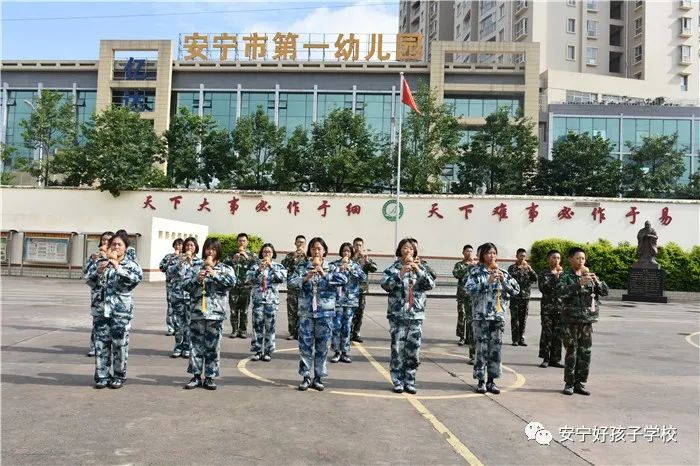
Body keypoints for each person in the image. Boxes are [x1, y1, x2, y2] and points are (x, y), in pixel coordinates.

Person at [85, 230, 143, 389]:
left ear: (125, 248)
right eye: (113, 244)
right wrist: (98, 271)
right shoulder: (101, 262)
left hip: (120, 311)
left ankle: (119, 375)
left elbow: (136, 280)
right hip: (101, 310)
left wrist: (118, 268)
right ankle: (102, 376)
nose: (116, 247)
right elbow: (89, 280)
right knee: (101, 344)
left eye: (119, 244)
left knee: (120, 345)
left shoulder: (131, 264)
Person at [288, 237, 348, 391]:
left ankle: (319, 377)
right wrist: (305, 278)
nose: (316, 251)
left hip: (325, 314)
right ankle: (306, 376)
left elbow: (343, 280)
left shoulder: (332, 267)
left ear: (324, 251)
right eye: (313, 248)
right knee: (305, 346)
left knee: (322, 347)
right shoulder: (303, 266)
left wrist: (324, 274)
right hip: (306, 313)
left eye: (319, 248)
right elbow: (291, 283)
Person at [380, 238, 435, 394]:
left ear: (414, 251)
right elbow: (385, 285)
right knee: (397, 349)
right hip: (397, 315)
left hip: (415, 316)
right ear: (400, 250)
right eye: (405, 248)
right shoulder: (393, 268)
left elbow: (430, 285)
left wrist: (418, 270)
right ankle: (397, 380)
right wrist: (400, 274)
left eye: (411, 248)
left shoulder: (421, 268)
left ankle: (410, 381)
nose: (408, 251)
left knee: (413, 350)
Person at [181, 237, 235, 390]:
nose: (210, 252)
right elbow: (185, 285)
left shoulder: (225, 268)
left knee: (213, 346)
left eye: (213, 249)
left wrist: (215, 274)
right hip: (197, 312)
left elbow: (232, 283)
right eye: (208, 249)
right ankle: (196, 376)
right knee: (195, 345)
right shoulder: (195, 266)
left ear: (218, 251)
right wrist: (196, 280)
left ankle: (210, 377)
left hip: (215, 314)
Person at [466, 243, 519, 395]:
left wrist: (504, 281)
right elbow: (468, 290)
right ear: (482, 255)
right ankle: (480, 381)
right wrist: (487, 282)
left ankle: (491, 381)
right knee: (481, 350)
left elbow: (516, 290)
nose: (492, 256)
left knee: (495, 350)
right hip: (481, 317)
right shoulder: (475, 272)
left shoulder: (503, 272)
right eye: (488, 253)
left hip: (497, 317)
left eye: (494, 253)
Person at [557, 247, 609, 396]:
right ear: (570, 259)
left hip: (586, 321)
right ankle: (569, 383)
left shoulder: (590, 276)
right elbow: (560, 292)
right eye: (578, 258)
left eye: (583, 259)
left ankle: (580, 383)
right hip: (570, 320)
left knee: (585, 353)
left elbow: (605, 292)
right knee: (571, 352)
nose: (581, 261)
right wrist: (578, 284)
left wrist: (597, 281)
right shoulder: (565, 276)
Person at [246, 243, 287, 362]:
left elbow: (282, 279)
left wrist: (271, 267)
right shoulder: (255, 266)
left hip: (271, 300)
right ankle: (257, 350)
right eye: (265, 252)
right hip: (258, 300)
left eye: (269, 252)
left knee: (270, 326)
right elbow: (249, 278)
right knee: (257, 326)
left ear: (273, 254)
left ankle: (268, 351)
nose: (267, 254)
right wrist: (259, 270)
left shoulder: (278, 266)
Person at [330, 242, 367, 364]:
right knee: (336, 326)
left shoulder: (355, 265)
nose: (346, 253)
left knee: (347, 327)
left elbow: (363, 278)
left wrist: (351, 270)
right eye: (344, 251)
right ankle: (336, 351)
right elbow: (329, 277)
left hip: (350, 302)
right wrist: (339, 269)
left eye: (348, 251)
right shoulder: (334, 264)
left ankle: (344, 352)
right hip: (337, 301)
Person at [167, 237, 200, 359]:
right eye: (187, 245)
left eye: (192, 245)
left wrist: (191, 263)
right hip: (178, 295)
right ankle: (178, 346)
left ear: (196, 248)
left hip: (191, 296)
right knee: (178, 323)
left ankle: (187, 347)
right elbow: (168, 273)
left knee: (190, 323)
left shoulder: (199, 262)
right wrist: (179, 263)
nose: (189, 248)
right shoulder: (177, 259)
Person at [83, 231, 113, 357]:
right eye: (104, 239)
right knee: (97, 322)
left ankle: (109, 347)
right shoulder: (95, 257)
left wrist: (108, 258)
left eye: (109, 240)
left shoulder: (117, 257)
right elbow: (87, 274)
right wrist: (94, 261)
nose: (105, 242)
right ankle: (95, 347)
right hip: (98, 296)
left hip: (112, 297)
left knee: (112, 323)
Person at [225, 233, 257, 338]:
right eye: (240, 241)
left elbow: (256, 266)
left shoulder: (252, 255)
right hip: (234, 286)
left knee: (244, 310)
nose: (241, 243)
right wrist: (233, 260)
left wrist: (246, 257)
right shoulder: (232, 254)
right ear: (237, 242)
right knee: (233, 310)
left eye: (244, 241)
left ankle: (243, 330)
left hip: (246, 287)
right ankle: (234, 330)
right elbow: (224, 265)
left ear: (247, 242)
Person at [537, 249, 565, 369]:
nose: (556, 260)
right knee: (547, 333)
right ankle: (546, 358)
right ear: (548, 259)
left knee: (558, 335)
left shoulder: (564, 274)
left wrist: (559, 276)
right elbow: (544, 288)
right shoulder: (544, 273)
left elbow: (565, 289)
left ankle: (555, 359)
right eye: (554, 258)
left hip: (560, 309)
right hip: (547, 308)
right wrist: (555, 277)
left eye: (558, 258)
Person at [507, 248, 538, 347]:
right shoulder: (511, 268)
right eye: (521, 256)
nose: (522, 258)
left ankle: (521, 339)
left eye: (524, 256)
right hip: (515, 297)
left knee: (523, 319)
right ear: (516, 256)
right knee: (514, 319)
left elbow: (535, 279)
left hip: (525, 297)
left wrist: (530, 270)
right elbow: (508, 280)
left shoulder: (528, 268)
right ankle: (515, 339)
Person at [452, 244, 477, 364]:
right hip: (462, 295)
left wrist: (473, 266)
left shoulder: (476, 265)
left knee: (470, 317)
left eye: (471, 251)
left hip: (472, 296)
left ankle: (469, 338)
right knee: (462, 315)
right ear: (463, 253)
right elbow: (456, 274)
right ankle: (461, 337)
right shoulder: (460, 265)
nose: (469, 253)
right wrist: (467, 267)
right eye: (467, 251)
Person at [350, 237, 377, 343]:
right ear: (353, 246)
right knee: (350, 311)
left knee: (360, 312)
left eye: (360, 245)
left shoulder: (365, 258)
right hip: (350, 290)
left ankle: (356, 333)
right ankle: (349, 332)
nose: (358, 247)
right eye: (356, 245)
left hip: (361, 290)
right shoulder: (350, 257)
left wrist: (367, 262)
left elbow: (374, 268)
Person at [281, 235, 307, 340]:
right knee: (292, 311)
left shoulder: (308, 256)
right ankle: (292, 332)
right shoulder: (290, 255)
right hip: (292, 287)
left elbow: (313, 264)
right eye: (298, 242)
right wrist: (293, 258)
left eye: (302, 242)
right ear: (295, 243)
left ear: (305, 244)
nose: (300, 244)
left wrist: (305, 255)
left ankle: (301, 332)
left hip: (304, 288)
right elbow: (283, 266)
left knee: (303, 312)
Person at [159, 238, 183, 336]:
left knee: (181, 307)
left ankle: (180, 327)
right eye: (176, 245)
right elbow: (162, 267)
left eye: (180, 245)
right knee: (170, 306)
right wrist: (171, 259)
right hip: (170, 285)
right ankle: (171, 328)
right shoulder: (168, 256)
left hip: (182, 285)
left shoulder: (186, 257)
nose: (178, 247)